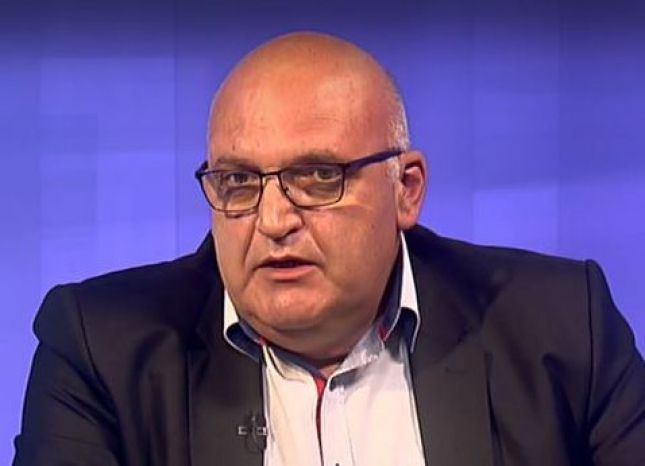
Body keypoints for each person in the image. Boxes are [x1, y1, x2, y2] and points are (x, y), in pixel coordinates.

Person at [13, 32, 645, 466]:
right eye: (239, 181)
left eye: (318, 176)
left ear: (407, 189)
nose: (273, 220)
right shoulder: (101, 349)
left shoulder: (562, 328)